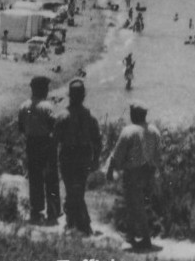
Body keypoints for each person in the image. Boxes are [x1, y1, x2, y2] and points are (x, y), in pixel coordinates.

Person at [106, 102, 162, 251]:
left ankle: (145, 238)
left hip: (134, 173)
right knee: (139, 204)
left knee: (134, 204)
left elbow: (117, 155)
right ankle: (131, 234)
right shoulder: (154, 130)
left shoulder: (129, 131)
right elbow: (158, 156)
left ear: (134, 115)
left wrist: (110, 170)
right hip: (149, 172)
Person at [55, 79, 103, 236]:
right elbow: (97, 140)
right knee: (79, 190)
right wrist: (95, 159)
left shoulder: (62, 116)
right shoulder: (90, 116)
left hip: (68, 155)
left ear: (70, 96)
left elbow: (55, 139)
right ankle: (79, 223)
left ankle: (76, 223)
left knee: (71, 189)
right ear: (83, 96)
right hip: (83, 156)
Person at [18, 76, 61, 225]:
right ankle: (53, 212)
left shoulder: (24, 106)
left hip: (31, 143)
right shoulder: (46, 106)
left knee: (35, 178)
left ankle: (36, 211)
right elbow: (53, 126)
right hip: (45, 143)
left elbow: (21, 127)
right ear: (43, 89)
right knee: (51, 178)